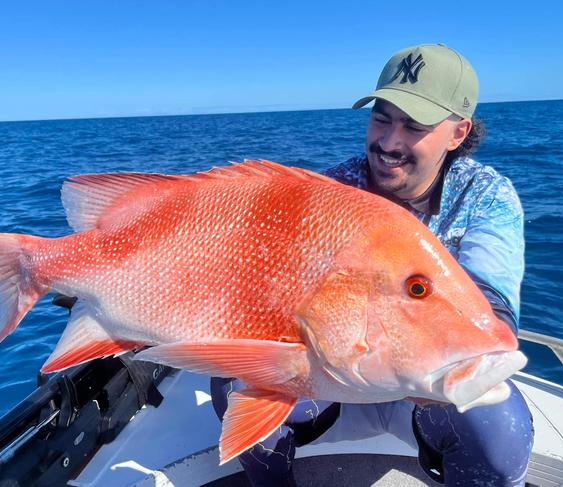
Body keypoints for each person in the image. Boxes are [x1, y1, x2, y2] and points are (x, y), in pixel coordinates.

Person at [211, 43, 534, 486]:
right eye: (381, 117)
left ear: (458, 133)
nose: (388, 142)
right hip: (330, 384)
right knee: (236, 381)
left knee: (498, 434)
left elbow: (491, 308)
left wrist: (449, 363)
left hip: (423, 395)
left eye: (414, 125)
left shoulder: (486, 197)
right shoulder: (334, 190)